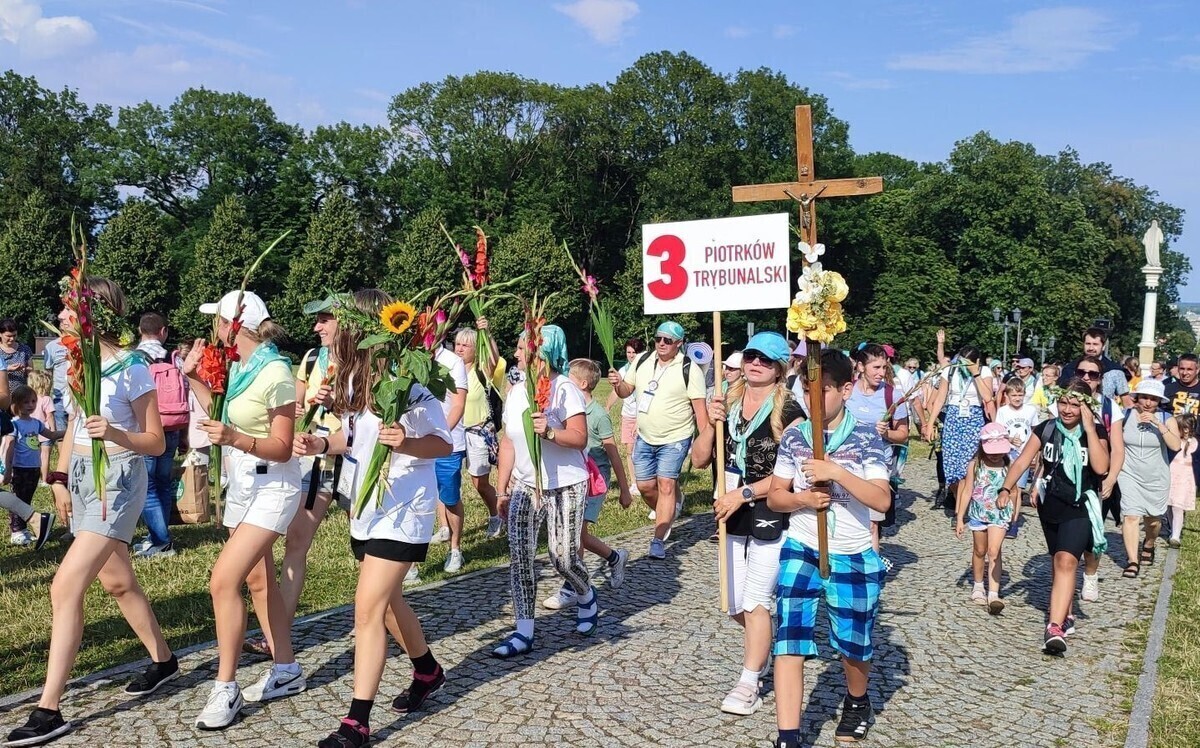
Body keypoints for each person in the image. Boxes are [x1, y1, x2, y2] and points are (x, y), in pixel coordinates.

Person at [4, 277, 178, 747]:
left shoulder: (132, 368)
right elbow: (77, 423)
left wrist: (116, 435)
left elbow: (156, 442)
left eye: (67, 310)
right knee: (117, 581)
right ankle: (163, 659)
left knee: (65, 586)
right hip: (81, 475)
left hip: (119, 478)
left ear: (93, 315)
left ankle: (49, 708)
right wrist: (59, 479)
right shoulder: (75, 363)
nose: (60, 317)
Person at [293, 290, 451, 748]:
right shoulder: (352, 380)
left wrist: (405, 441)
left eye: (325, 319)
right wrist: (322, 445)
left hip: (404, 509)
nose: (318, 328)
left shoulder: (411, 379)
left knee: (368, 609)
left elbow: (442, 443)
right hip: (366, 506)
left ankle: (357, 723)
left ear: (355, 325)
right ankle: (427, 670)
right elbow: (352, 437)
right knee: (388, 603)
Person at [182, 290, 305, 730]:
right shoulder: (241, 366)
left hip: (274, 485)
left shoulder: (275, 371)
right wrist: (194, 377)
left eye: (217, 319)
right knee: (257, 579)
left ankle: (225, 686)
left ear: (235, 324)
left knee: (222, 581)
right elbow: (219, 416)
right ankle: (287, 668)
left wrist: (234, 438)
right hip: (244, 482)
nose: (213, 327)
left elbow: (283, 445)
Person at [768, 349, 892, 746]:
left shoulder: (866, 436)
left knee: (854, 644)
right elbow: (775, 497)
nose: (812, 398)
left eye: (822, 390)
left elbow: (883, 501)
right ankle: (788, 735)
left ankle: (857, 701)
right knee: (789, 638)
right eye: (806, 389)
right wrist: (802, 500)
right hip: (802, 545)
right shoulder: (794, 436)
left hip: (852, 551)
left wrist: (835, 472)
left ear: (847, 389)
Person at [691, 332, 801, 717]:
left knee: (755, 600)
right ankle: (768, 642)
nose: (755, 364)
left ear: (779, 369)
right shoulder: (727, 401)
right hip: (729, 511)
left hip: (770, 509)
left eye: (765, 360)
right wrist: (709, 423)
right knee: (732, 601)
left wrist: (745, 493)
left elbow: (793, 476)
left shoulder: (789, 411)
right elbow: (700, 460)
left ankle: (749, 681)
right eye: (751, 357)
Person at [243, 295, 346, 659]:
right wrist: (303, 406)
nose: (316, 327)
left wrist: (339, 402)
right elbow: (297, 404)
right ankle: (277, 636)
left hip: (353, 460)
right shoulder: (311, 358)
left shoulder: (365, 360)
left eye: (324, 320)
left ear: (344, 322)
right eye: (316, 320)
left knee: (367, 550)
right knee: (296, 542)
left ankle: (385, 612)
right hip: (317, 462)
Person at [493, 325, 595, 657]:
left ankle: (585, 593)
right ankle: (523, 631)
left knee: (563, 557)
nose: (516, 354)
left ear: (542, 352)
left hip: (565, 482)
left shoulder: (565, 388)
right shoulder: (517, 390)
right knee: (521, 558)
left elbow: (580, 437)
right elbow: (508, 440)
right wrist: (501, 488)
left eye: (523, 348)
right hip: (525, 484)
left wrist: (550, 433)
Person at [1001, 379, 1110, 655]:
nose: (1068, 410)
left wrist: (1088, 428)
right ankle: (1067, 612)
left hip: (1081, 506)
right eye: (1064, 403)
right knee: (1060, 561)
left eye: (1075, 404)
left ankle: (1054, 627)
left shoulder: (1095, 432)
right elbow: (1023, 460)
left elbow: (1101, 466)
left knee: (1066, 560)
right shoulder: (1047, 428)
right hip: (1051, 506)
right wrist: (1006, 488)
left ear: (1086, 407)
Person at [607, 321, 708, 559]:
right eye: (658, 338)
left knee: (665, 484)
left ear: (679, 344)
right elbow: (626, 391)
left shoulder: (689, 368)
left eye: (668, 340)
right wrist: (617, 384)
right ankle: (670, 508)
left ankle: (658, 539)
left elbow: (700, 410)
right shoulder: (642, 360)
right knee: (645, 487)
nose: (661, 343)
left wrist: (705, 443)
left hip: (676, 437)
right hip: (645, 436)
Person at [543, 358, 633, 610]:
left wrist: (625, 490)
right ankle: (614, 557)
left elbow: (613, 453)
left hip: (594, 481)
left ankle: (572, 587)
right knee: (578, 535)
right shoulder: (564, 410)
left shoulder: (598, 415)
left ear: (582, 383)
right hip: (574, 477)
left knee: (575, 536)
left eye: (568, 377)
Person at [846, 344, 908, 566]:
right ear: (861, 367)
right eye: (876, 367)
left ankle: (870, 568)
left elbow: (903, 434)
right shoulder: (847, 391)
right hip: (846, 464)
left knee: (873, 523)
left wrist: (887, 433)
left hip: (876, 467)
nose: (881, 372)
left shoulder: (893, 394)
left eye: (884, 367)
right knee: (847, 519)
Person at [1069, 356, 1125, 601]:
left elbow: (1118, 447)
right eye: (1082, 372)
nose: (1086, 378)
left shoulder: (1109, 407)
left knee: (1093, 532)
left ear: (1100, 380)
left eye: (1092, 374)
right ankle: (1065, 573)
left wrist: (1112, 478)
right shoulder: (1064, 400)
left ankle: (1090, 575)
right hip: (1067, 476)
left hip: (1096, 477)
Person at [131, 312, 185, 559]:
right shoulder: (175, 359)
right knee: (163, 483)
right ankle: (157, 534)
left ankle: (161, 541)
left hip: (147, 428)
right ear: (163, 331)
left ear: (140, 330)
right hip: (172, 426)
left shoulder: (134, 359)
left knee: (148, 486)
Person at [1116, 379, 1180, 577]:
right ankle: (1132, 561)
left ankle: (1149, 542)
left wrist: (1157, 424)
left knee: (1153, 521)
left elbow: (1175, 446)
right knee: (1131, 515)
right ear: (1137, 398)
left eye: (1153, 399)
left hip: (1156, 476)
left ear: (1158, 401)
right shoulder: (1125, 416)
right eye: (1144, 397)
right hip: (1129, 473)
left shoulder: (1167, 418)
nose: (1148, 403)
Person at [922, 345, 994, 511]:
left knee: (968, 467)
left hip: (973, 419)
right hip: (953, 419)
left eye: (967, 363)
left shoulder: (984, 372)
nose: (963, 366)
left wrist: (975, 373)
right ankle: (956, 496)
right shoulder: (950, 371)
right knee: (952, 469)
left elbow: (988, 397)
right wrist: (930, 422)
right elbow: (940, 399)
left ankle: (960, 510)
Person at [955, 423, 1016, 613]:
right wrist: (959, 518)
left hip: (1000, 514)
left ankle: (994, 593)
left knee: (994, 550)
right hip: (978, 513)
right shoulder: (975, 465)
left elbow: (1014, 491)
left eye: (999, 451)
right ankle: (979, 584)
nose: (995, 455)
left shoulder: (1009, 464)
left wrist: (1014, 514)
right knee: (980, 550)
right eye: (991, 451)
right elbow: (967, 491)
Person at [454, 320, 506, 539]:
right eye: (457, 344)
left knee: (479, 483)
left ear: (476, 350)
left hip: (477, 431)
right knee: (446, 480)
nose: (459, 348)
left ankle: (497, 515)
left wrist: (486, 332)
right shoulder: (450, 369)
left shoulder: (481, 370)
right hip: (455, 432)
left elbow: (495, 359)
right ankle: (447, 527)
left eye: (465, 345)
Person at [3, 385, 58, 546]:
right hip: (19, 469)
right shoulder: (14, 424)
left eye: (33, 401)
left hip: (34, 468)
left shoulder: (36, 423)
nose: (31, 405)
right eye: (26, 402)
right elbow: (10, 445)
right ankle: (16, 531)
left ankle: (23, 528)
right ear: (16, 404)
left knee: (27, 499)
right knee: (17, 499)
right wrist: (8, 468)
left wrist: (69, 431)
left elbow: (51, 435)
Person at [432, 339, 470, 573]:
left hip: (447, 443)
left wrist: (441, 435)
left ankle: (455, 549)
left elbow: (458, 404)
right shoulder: (405, 358)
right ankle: (412, 563)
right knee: (419, 499)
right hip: (414, 443)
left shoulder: (452, 362)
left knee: (450, 497)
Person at [994, 378, 1039, 521]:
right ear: (1007, 395)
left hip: (1023, 455)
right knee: (1006, 486)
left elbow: (1035, 431)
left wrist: (1035, 454)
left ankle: (1013, 520)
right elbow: (999, 432)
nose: (1017, 399)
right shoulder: (1002, 412)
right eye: (1014, 395)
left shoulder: (1031, 411)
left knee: (1018, 489)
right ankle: (1002, 515)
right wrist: (1009, 439)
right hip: (1006, 455)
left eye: (1020, 395)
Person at [606, 338, 646, 500]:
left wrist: (640, 418)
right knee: (629, 451)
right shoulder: (623, 371)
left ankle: (645, 480)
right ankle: (634, 482)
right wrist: (607, 407)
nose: (631, 355)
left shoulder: (644, 369)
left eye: (634, 353)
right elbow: (617, 391)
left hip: (641, 414)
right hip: (627, 414)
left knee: (639, 450)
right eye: (628, 352)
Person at [1060, 327, 1132, 408]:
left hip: (1105, 416)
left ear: (1103, 346)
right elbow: (1060, 398)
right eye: (1088, 344)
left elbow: (1127, 402)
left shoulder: (1115, 371)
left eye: (1095, 344)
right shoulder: (1070, 369)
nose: (1091, 348)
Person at [1168, 414, 1196, 548]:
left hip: (1185, 480)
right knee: (1169, 506)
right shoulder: (1173, 443)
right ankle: (1172, 528)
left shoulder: (1195, 444)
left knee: (1178, 507)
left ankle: (1175, 536)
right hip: (1171, 478)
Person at [42, 335, 70, 432]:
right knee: (61, 432)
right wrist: (45, 395)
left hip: (80, 396)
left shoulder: (82, 342)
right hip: (60, 397)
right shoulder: (51, 346)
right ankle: (62, 447)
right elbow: (48, 373)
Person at [0, 319, 33, 388]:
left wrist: (26, 369)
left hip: (22, 394)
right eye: (8, 336)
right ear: (0, 334)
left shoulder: (25, 349)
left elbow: (32, 372)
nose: (12, 338)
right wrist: (7, 368)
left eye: (14, 335)